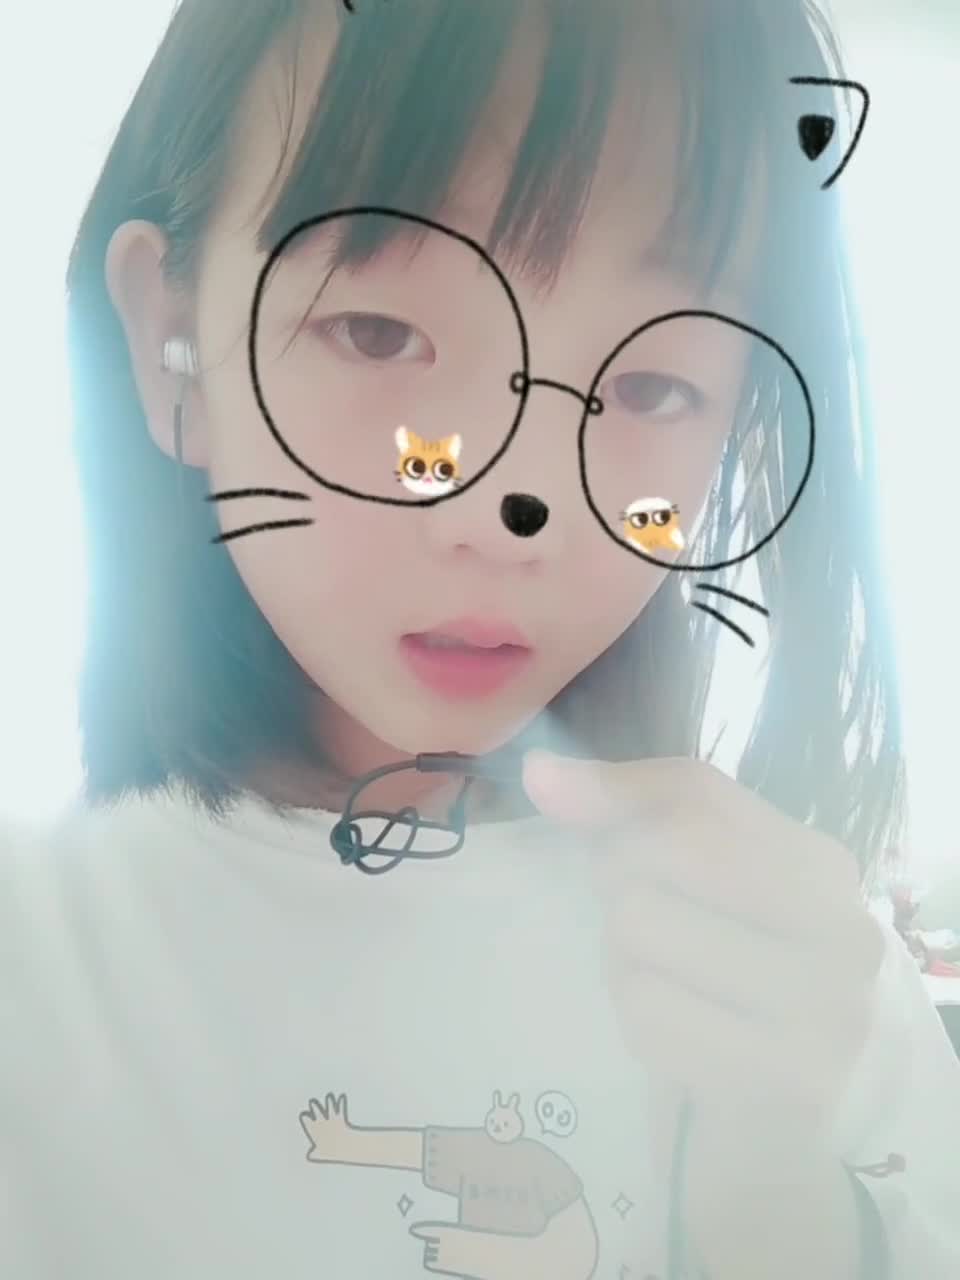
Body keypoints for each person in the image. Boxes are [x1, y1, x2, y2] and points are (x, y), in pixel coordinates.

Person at [3, 1, 959, 1277]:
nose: (512, 510)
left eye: (652, 384)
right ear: (171, 347)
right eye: (378, 332)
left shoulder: (808, 977)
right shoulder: (38, 960)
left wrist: (765, 1172)